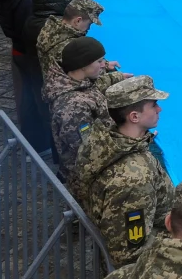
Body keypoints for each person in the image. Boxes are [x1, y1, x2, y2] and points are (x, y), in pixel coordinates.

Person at [72, 76, 174, 267]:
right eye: (154, 105)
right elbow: (130, 252)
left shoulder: (105, 138)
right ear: (134, 117)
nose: (159, 109)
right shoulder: (134, 179)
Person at [44, 37, 127, 183]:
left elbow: (92, 87)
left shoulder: (75, 81)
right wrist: (131, 140)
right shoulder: (74, 107)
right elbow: (88, 151)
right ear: (83, 65)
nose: (104, 65)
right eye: (99, 61)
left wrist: (117, 77)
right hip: (86, 179)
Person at [0, 0, 52, 152]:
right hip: (29, 55)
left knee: (28, 95)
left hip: (20, 51)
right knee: (36, 98)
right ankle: (40, 142)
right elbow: (29, 32)